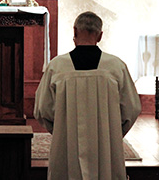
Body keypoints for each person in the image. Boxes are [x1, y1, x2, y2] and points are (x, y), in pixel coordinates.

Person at [34, 11, 141, 179]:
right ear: (100, 36)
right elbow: (132, 108)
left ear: (75, 31)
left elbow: (42, 109)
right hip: (106, 146)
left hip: (67, 143)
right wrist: (111, 131)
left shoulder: (57, 66)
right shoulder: (115, 66)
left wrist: (62, 128)